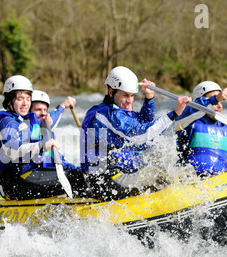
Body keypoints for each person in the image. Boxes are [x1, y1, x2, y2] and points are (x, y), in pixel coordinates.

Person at [80, 66, 191, 200]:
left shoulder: (112, 111)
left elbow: (143, 123)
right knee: (164, 177)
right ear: (111, 92)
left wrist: (149, 98)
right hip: (105, 181)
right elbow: (142, 136)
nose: (130, 101)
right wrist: (174, 114)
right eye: (125, 95)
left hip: (111, 176)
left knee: (164, 170)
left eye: (132, 96)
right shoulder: (106, 115)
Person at [0, 75, 87, 200]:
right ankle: (84, 214)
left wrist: (62, 107)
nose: (25, 103)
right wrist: (41, 146)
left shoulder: (24, 122)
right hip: (17, 182)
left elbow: (47, 119)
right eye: (20, 98)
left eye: (28, 99)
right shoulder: (8, 122)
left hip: (26, 177)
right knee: (75, 177)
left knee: (80, 175)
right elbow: (11, 151)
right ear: (9, 101)